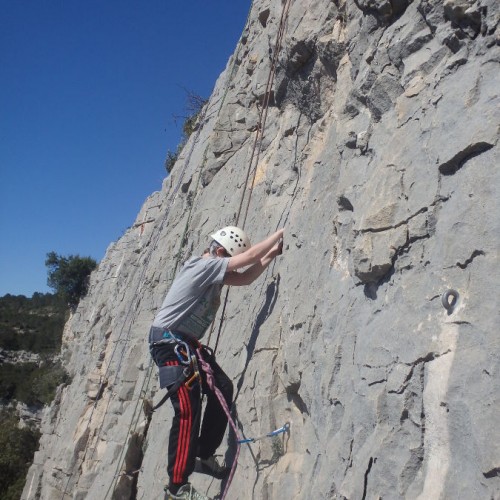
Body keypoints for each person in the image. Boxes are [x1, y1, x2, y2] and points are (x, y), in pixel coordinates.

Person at [149, 226, 284, 500]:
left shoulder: (214, 273)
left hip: (185, 343)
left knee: (222, 386)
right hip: (169, 341)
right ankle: (177, 488)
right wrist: (278, 233)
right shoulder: (203, 265)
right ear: (220, 252)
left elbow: (245, 278)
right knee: (187, 408)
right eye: (227, 258)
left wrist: (272, 254)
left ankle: (203, 454)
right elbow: (244, 263)